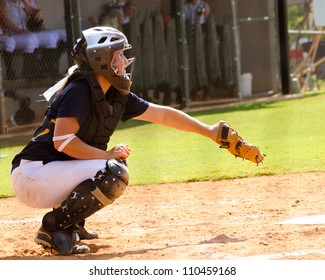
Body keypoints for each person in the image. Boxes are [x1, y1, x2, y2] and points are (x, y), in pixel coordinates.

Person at [10, 26, 264, 255]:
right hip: (33, 175)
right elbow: (63, 142)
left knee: (113, 166)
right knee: (112, 170)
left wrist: (209, 131)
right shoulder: (80, 91)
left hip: (49, 174)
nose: (123, 60)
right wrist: (106, 155)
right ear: (101, 59)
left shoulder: (112, 94)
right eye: (118, 54)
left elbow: (162, 114)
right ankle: (54, 229)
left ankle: (71, 224)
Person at [0, 0, 62, 78]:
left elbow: (34, 12)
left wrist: (38, 11)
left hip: (24, 33)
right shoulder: (4, 3)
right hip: (12, 34)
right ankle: (27, 71)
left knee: (50, 38)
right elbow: (4, 20)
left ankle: (49, 69)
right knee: (30, 40)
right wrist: (19, 31)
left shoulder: (21, 3)